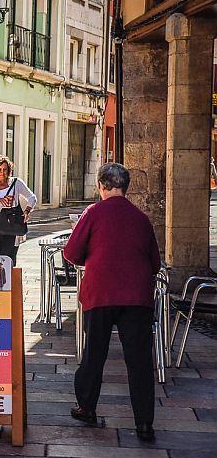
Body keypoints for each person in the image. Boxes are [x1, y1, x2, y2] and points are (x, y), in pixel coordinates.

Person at [63, 163, 160, 442]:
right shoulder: (141, 218)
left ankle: (87, 407)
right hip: (137, 296)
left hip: (101, 293)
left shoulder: (93, 213)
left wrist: (93, 257)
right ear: (125, 187)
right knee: (139, 360)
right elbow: (154, 262)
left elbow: (71, 253)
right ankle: (144, 423)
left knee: (95, 353)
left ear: (101, 186)